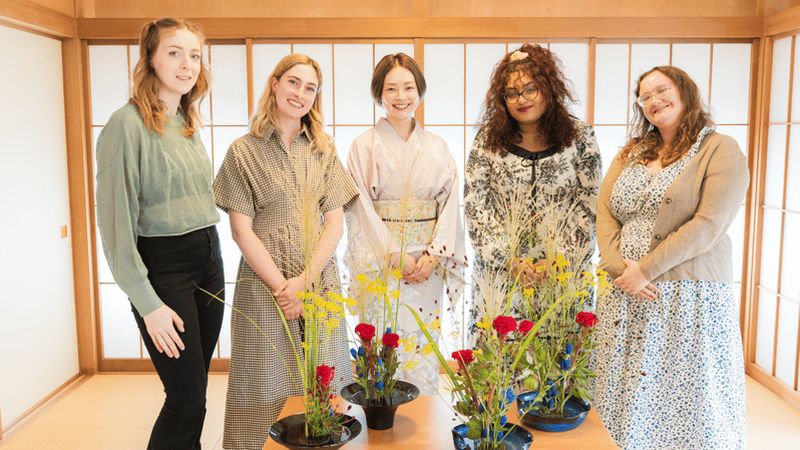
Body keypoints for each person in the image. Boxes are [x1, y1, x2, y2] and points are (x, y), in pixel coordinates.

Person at [592, 65, 749, 449]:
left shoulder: (719, 149)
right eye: (644, 97)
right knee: (620, 383)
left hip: (686, 295)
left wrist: (645, 269)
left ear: (685, 92)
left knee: (684, 389)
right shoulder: (632, 152)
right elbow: (606, 211)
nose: (653, 101)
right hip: (623, 291)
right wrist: (619, 269)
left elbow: (709, 224)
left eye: (661, 90)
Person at [213, 53, 358, 449]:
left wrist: (304, 282)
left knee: (323, 375)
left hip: (318, 278)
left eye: (310, 88)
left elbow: (335, 222)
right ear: (275, 84)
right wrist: (284, 288)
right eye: (293, 82)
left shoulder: (324, 149)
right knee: (263, 379)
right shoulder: (243, 151)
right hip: (265, 283)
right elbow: (242, 232)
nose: (300, 93)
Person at [95, 18, 224, 450]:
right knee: (185, 401)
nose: (186, 64)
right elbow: (115, 229)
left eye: (194, 55)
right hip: (165, 271)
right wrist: (147, 304)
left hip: (209, 261)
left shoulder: (186, 121)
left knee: (197, 393)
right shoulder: (126, 124)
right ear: (149, 58)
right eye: (174, 52)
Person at [345, 53, 465, 395]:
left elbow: (449, 205)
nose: (401, 96)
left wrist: (436, 254)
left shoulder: (438, 147)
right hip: (382, 263)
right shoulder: (363, 146)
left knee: (422, 348)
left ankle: (423, 423)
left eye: (409, 87)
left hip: (427, 264)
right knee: (385, 343)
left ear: (420, 91)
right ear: (379, 93)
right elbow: (360, 208)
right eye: (392, 88)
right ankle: (383, 422)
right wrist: (393, 254)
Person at [464, 43, 601, 329]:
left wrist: (559, 259)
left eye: (530, 89)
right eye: (511, 93)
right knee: (501, 364)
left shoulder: (581, 137)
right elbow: (477, 206)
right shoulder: (487, 141)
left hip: (563, 275)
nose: (521, 99)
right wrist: (509, 260)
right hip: (503, 274)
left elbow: (590, 203)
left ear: (548, 88)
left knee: (560, 365)